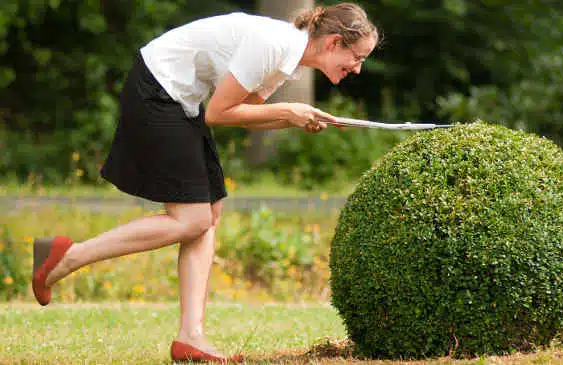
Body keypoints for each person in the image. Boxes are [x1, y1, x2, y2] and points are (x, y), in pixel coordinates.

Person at [31, 3, 378, 363]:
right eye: (357, 57)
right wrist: (288, 112)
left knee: (207, 214)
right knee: (192, 219)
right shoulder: (273, 45)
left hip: (182, 98)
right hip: (158, 87)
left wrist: (294, 120)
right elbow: (218, 112)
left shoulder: (286, 61)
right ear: (335, 42)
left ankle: (190, 338)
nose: (357, 68)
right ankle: (66, 257)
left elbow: (245, 115)